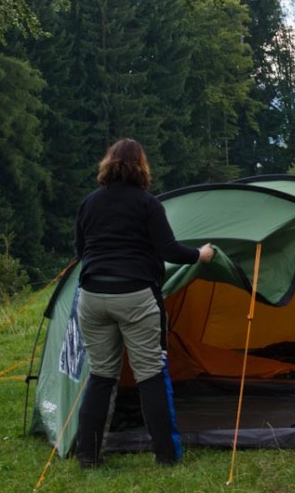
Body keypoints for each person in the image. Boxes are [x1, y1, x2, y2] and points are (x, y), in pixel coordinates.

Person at [74, 138, 215, 468]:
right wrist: (201, 255)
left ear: (107, 164)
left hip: (92, 296)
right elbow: (169, 249)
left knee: (101, 376)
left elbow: (80, 251)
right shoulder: (146, 203)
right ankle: (166, 456)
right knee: (149, 375)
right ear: (142, 166)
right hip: (135, 295)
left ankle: (87, 456)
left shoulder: (89, 203)